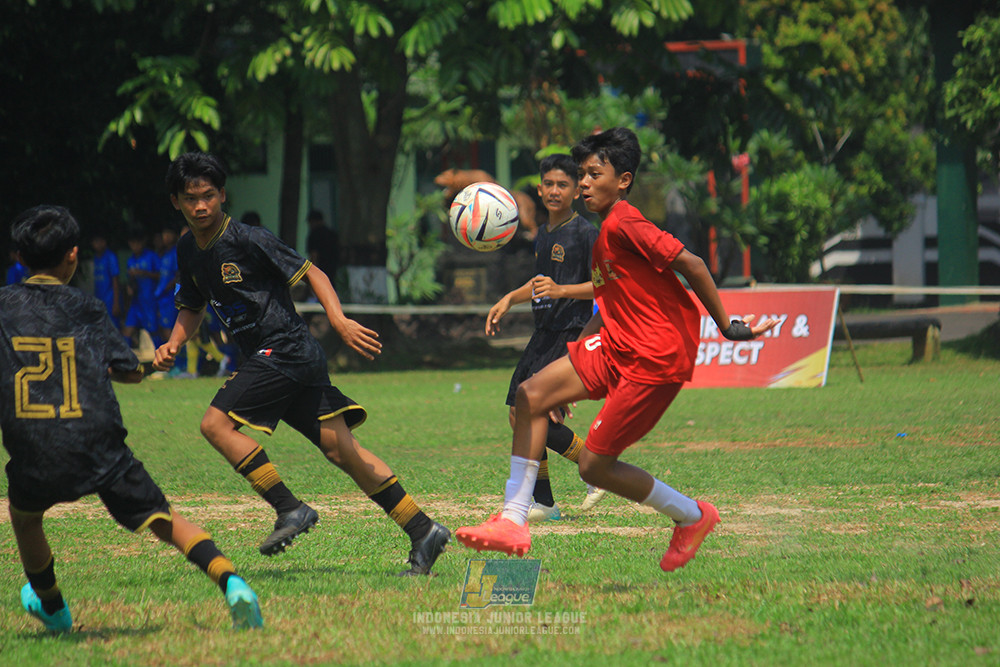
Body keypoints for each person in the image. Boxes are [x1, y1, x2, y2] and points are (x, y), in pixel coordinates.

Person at [456, 128, 779, 571]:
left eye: (593, 174)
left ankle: (693, 516)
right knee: (532, 394)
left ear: (623, 180)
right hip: (613, 342)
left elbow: (693, 264)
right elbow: (607, 302)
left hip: (654, 358)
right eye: (581, 175)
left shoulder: (626, 222)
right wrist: (569, 366)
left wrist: (728, 326)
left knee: (594, 467)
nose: (583, 183)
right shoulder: (606, 233)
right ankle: (513, 520)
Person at [153, 152, 450, 575]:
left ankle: (289, 508)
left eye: (208, 196)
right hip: (282, 359)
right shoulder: (188, 249)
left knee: (215, 424)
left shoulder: (250, 238)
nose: (201, 206)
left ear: (222, 195)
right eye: (190, 198)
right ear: (176, 202)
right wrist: (174, 342)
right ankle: (424, 530)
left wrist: (339, 320)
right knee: (342, 450)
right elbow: (192, 304)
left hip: (284, 348)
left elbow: (314, 274)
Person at [0, 205, 262, 633]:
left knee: (25, 517)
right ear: (73, 256)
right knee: (162, 518)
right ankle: (232, 583)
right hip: (97, 437)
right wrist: (153, 364)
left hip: (34, 440)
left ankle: (52, 606)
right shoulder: (86, 307)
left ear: (19, 259)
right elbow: (126, 370)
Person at [485, 154, 605, 523]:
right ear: (539, 189)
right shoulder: (544, 233)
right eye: (549, 184)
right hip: (544, 331)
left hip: (569, 330)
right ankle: (547, 501)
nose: (554, 191)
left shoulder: (585, 233)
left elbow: (604, 286)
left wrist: (561, 289)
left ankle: (596, 470)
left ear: (575, 192)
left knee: (531, 411)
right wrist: (509, 299)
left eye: (563, 185)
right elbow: (541, 285)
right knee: (517, 413)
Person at [121, 228, 160, 349]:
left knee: (153, 331)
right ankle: (125, 364)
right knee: (127, 331)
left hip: (149, 300)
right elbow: (129, 279)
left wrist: (144, 273)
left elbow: (160, 275)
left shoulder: (151, 256)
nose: (135, 246)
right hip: (136, 302)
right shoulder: (130, 260)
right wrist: (129, 287)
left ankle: (165, 360)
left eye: (137, 243)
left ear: (142, 242)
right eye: (132, 243)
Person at [155, 224, 180, 347]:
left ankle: (178, 363)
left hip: (170, 296)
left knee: (170, 331)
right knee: (164, 330)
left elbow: (178, 275)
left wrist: (168, 287)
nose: (166, 237)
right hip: (162, 297)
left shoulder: (176, 253)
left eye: (169, 233)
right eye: (164, 234)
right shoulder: (164, 254)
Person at [90, 233, 121, 328]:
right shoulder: (95, 258)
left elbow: (115, 280)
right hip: (100, 299)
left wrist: (116, 303)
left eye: (100, 242)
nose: (98, 244)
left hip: (110, 300)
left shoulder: (110, 257)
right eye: (95, 242)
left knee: (113, 327)